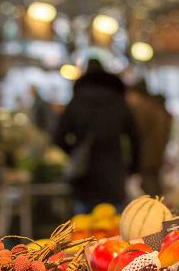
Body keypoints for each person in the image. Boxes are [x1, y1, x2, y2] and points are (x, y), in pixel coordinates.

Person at [54, 59, 140, 212]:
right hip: (114, 172)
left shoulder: (76, 102)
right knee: (115, 226)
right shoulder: (119, 102)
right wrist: (133, 168)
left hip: (84, 174)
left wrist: (74, 151)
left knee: (83, 226)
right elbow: (136, 138)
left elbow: (58, 137)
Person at [126, 81, 171, 196]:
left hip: (146, 155)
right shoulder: (156, 107)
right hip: (157, 153)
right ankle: (160, 210)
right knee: (155, 185)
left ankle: (155, 212)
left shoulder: (141, 109)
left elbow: (137, 133)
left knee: (149, 191)